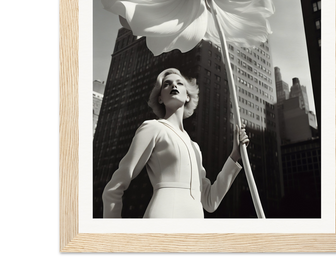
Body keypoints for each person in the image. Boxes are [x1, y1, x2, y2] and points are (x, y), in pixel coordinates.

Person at [102, 68, 249, 218]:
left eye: (180, 83)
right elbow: (114, 189)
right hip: (163, 217)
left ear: (187, 97)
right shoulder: (153, 128)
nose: (174, 86)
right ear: (160, 98)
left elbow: (210, 202)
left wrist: (235, 155)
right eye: (167, 84)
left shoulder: (194, 147)